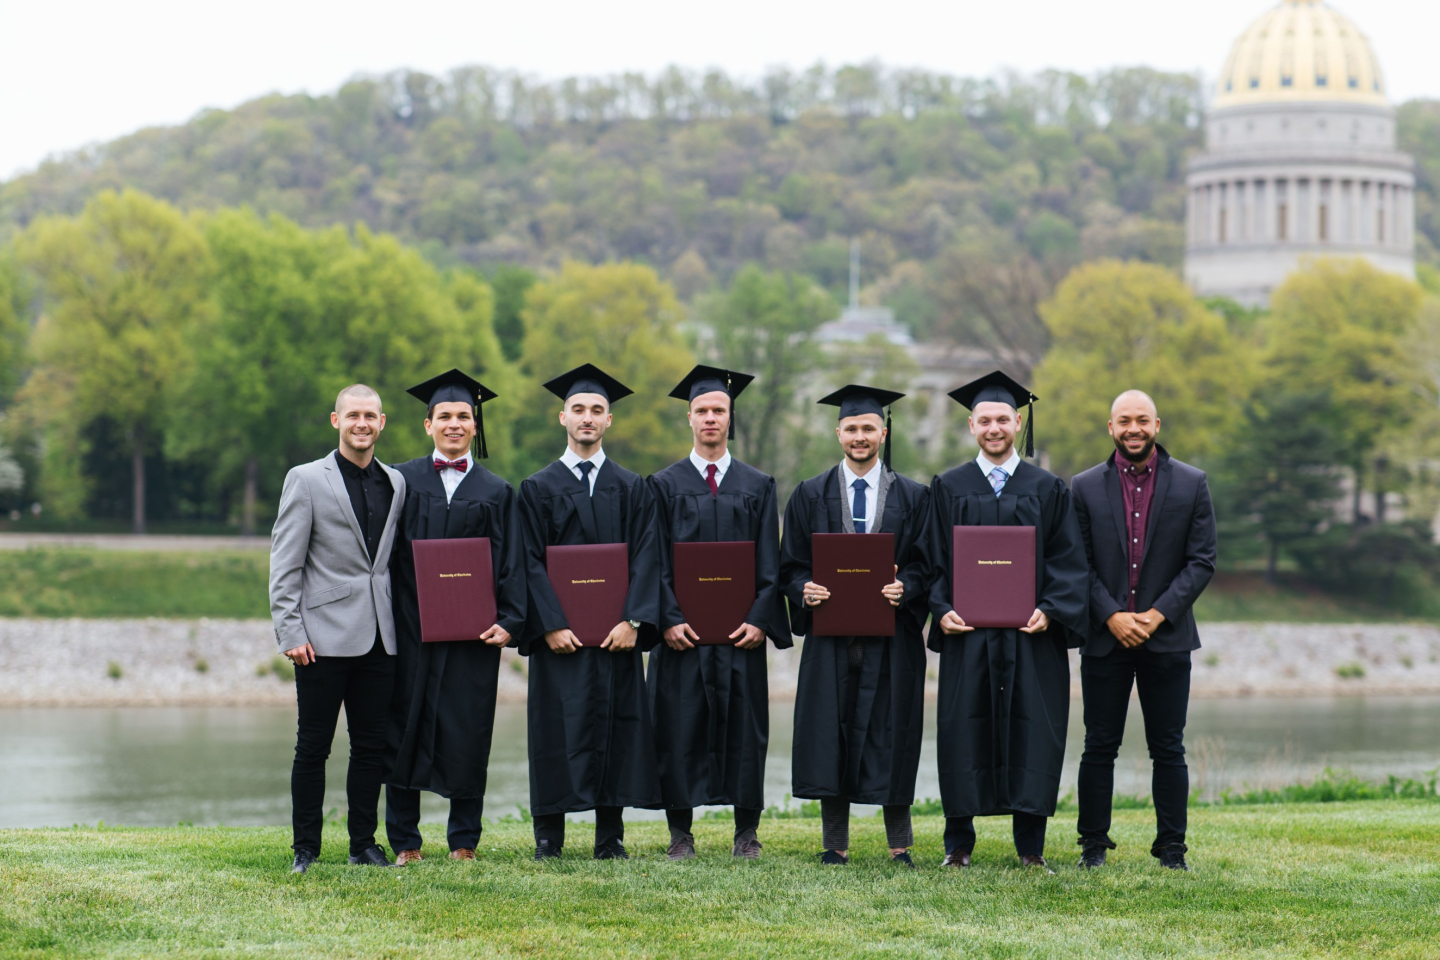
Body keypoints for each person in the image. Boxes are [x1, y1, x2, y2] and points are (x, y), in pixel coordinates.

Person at [919, 370, 1089, 873]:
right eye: (984, 420)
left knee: (1033, 729)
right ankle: (958, 845)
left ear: (1018, 422)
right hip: (968, 637)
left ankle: (1031, 847)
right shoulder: (948, 487)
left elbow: (1069, 561)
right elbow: (931, 561)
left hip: (1031, 637)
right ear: (971, 425)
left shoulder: (1048, 488)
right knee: (962, 729)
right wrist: (941, 608)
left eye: (1002, 419)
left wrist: (1050, 609)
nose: (994, 428)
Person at [780, 385, 931, 867]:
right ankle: (835, 845)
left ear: (883, 433)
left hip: (893, 639)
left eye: (868, 428)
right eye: (851, 428)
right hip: (830, 636)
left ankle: (900, 845)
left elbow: (928, 564)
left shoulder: (915, 496)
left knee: (894, 734)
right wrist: (804, 589)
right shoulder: (809, 493)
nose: (859, 436)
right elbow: (790, 565)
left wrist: (906, 587)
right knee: (832, 735)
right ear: (838, 433)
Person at [517, 364, 663, 860]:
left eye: (597, 410)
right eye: (578, 409)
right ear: (562, 417)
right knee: (552, 730)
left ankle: (609, 838)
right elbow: (528, 561)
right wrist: (550, 624)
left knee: (615, 727)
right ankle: (548, 837)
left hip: (617, 637)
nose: (587, 417)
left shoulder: (633, 487)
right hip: (559, 640)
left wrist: (633, 621)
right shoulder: (537, 488)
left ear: (609, 420)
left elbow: (648, 556)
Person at [384, 369, 527, 865]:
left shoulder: (497, 490)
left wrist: (510, 619)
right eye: (444, 416)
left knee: (468, 730)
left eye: (463, 416)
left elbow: (511, 561)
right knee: (404, 728)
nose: (454, 424)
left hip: (473, 635)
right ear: (428, 424)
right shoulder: (400, 480)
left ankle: (464, 839)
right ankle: (405, 841)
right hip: (410, 631)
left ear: (475, 425)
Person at [647, 364, 790, 860]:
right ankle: (680, 835)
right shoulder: (662, 484)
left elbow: (769, 561)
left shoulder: (758, 484)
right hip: (681, 637)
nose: (710, 418)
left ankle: (746, 833)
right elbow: (653, 559)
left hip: (739, 635)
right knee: (677, 728)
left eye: (719, 410)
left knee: (745, 731)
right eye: (702, 410)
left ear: (731, 418)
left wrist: (760, 618)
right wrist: (667, 618)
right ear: (688, 417)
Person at [1070, 390, 1216, 872]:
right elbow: (1076, 563)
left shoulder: (1192, 483)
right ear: (1110, 428)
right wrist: (1111, 614)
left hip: (1167, 637)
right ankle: (1093, 845)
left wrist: (1157, 615)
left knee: (1168, 748)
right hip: (1104, 637)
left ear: (1157, 425)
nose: (1133, 428)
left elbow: (1202, 561)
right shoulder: (1084, 487)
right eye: (1124, 420)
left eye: (1142, 420)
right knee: (1099, 745)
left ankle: (1172, 849)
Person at [270, 384, 406, 873]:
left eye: (370, 415)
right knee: (313, 747)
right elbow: (285, 563)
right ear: (336, 421)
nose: (361, 424)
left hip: (380, 636)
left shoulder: (396, 482)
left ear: (382, 422)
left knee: (370, 749)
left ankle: (362, 845)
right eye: (353, 415)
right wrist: (290, 632)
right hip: (321, 639)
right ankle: (305, 848)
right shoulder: (306, 479)